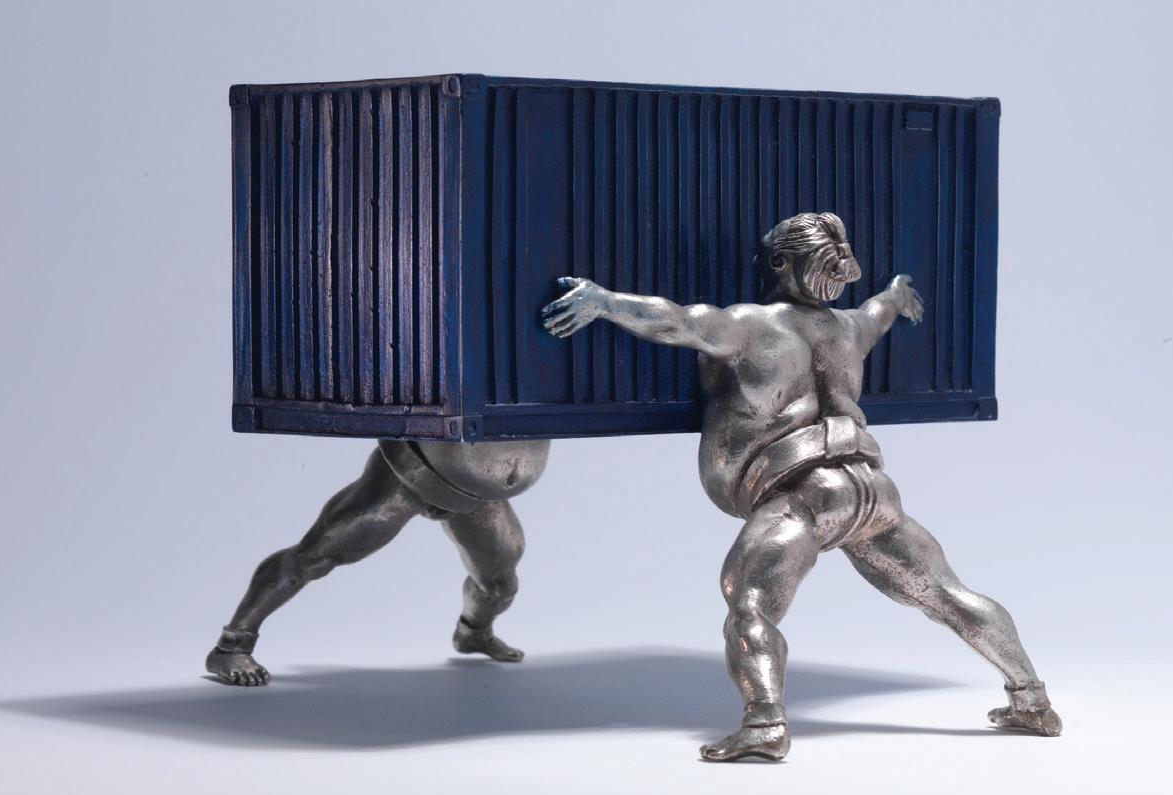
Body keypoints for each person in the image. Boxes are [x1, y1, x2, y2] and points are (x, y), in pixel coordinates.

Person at [543, 212, 1060, 761]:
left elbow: (677, 321)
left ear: (779, 262)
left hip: (802, 492)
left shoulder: (751, 325)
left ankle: (765, 726)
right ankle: (1032, 701)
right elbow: (879, 312)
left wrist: (603, 301)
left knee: (750, 605)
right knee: (945, 594)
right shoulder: (848, 329)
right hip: (871, 488)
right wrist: (897, 293)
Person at [205, 440, 550, 685]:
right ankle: (231, 646)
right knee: (314, 557)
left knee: (500, 584)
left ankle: (473, 634)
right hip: (410, 474)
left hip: (481, 493)